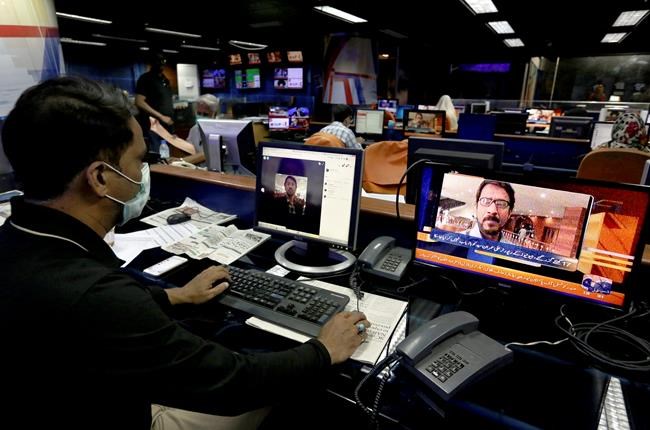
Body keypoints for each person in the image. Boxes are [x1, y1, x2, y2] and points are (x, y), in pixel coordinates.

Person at [0, 76, 370, 429]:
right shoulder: (97, 296)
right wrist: (324, 350)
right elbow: (235, 383)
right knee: (287, 386)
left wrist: (174, 296)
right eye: (140, 161)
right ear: (99, 177)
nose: (144, 173)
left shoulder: (20, 241)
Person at [135, 52, 175, 153]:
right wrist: (161, 116)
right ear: (152, 63)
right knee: (157, 153)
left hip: (167, 124)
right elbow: (139, 101)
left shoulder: (164, 79)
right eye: (158, 62)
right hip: (153, 125)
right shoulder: (145, 79)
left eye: (163, 62)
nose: (161, 65)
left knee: (168, 154)